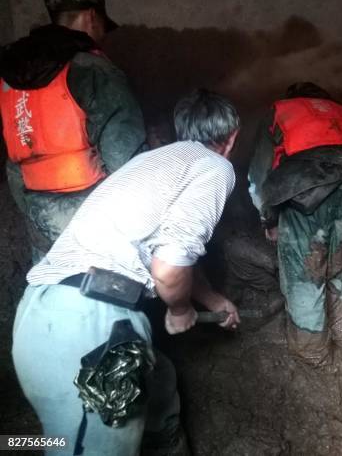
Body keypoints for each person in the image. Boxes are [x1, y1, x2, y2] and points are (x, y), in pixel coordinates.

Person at [11, 89, 240, 456]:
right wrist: (181, 311)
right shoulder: (216, 168)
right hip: (91, 330)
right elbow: (169, 268)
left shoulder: (158, 163)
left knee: (159, 388)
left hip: (47, 314)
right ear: (231, 138)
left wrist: (213, 300)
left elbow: (170, 252)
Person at [0, 0, 147, 262]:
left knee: (51, 294)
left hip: (39, 219)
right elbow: (125, 158)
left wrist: (35, 213)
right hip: (93, 220)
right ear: (91, 16)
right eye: (103, 27)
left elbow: (13, 163)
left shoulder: (9, 76)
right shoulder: (93, 69)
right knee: (105, 299)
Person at [248, 82, 342, 366]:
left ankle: (315, 355)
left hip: (306, 195)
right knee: (335, 267)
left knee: (305, 279)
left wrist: (268, 219)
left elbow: (260, 175)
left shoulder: (280, 113)